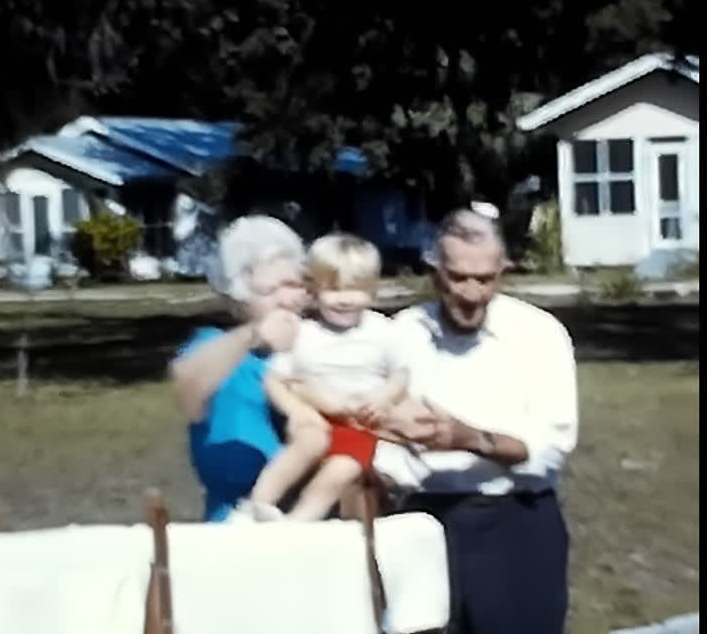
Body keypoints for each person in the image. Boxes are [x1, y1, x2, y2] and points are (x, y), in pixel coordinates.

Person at [374, 205, 579, 634]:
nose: (471, 293)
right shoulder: (402, 334)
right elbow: (377, 438)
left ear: (503, 271)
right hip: (421, 520)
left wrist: (468, 438)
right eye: (457, 277)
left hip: (516, 521)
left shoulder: (538, 335)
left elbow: (549, 449)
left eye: (484, 279)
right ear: (433, 271)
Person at [230, 233, 411, 523]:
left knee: (339, 472)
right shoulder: (303, 333)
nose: (343, 299)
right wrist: (296, 410)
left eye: (354, 289)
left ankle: (297, 523)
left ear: (373, 290)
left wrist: (384, 398)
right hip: (316, 418)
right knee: (308, 441)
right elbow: (275, 379)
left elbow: (401, 375)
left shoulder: (382, 330)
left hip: (361, 425)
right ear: (313, 289)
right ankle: (255, 504)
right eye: (332, 289)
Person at [168, 215, 309, 522]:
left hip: (313, 520)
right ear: (237, 298)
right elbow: (186, 383)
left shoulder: (317, 344)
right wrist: (254, 335)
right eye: (270, 291)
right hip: (235, 525)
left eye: (295, 285)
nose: (287, 299)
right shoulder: (219, 346)